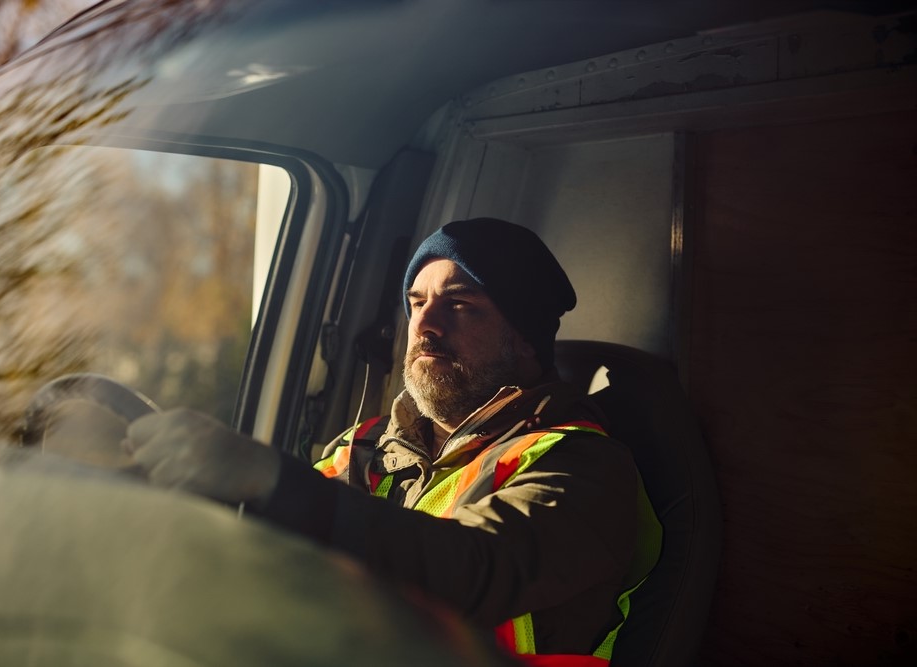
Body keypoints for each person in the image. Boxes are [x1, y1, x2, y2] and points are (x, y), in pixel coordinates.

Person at [124, 218, 646, 666]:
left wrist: (273, 479)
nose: (426, 325)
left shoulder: (582, 463)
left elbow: (478, 570)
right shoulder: (368, 447)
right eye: (416, 302)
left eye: (461, 304)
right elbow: (278, 543)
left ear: (527, 336)